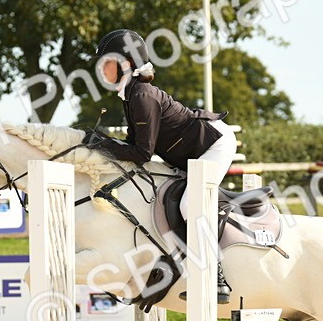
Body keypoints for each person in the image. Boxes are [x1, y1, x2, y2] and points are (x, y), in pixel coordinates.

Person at [90, 28, 236, 301]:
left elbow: (142, 153)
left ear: (126, 64)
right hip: (190, 153)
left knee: (189, 204)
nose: (102, 70)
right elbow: (133, 144)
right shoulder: (131, 94)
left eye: (106, 62)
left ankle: (214, 276)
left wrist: (101, 145)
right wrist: (104, 142)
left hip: (214, 143)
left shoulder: (142, 95)